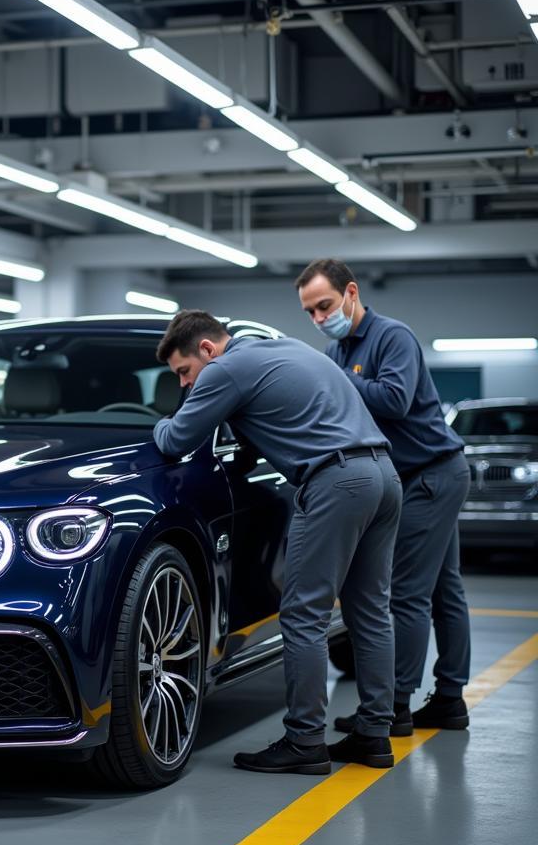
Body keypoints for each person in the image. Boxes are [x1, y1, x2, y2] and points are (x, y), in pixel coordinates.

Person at [154, 310, 402, 774]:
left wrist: (152, 422)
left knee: (303, 613)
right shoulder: (282, 347)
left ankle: (305, 741)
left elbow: (176, 438)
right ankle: (374, 736)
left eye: (184, 372)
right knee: (369, 612)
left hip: (336, 482)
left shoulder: (225, 369)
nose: (186, 385)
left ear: (207, 349)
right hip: (383, 474)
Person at [296, 259, 471, 735]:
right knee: (444, 589)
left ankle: (394, 706)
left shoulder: (393, 337)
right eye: (310, 312)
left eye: (324, 306)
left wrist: (333, 378)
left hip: (431, 475)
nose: (318, 319)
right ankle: (451, 700)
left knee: (408, 595)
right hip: (419, 474)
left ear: (351, 292)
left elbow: (395, 399)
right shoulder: (336, 348)